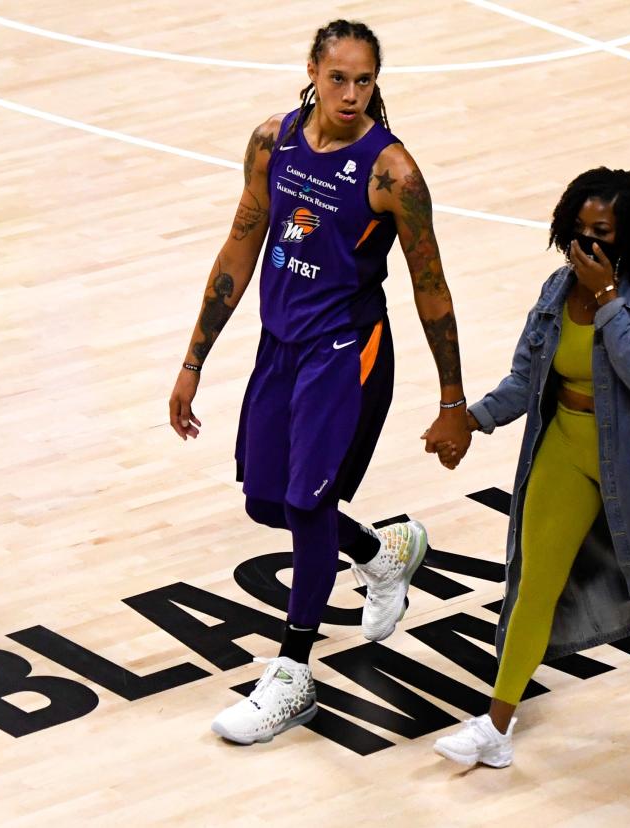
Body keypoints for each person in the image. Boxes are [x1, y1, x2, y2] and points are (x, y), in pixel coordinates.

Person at [167, 19, 471, 746]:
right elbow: (241, 243)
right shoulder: (274, 142)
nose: (351, 94)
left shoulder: (392, 173)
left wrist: (452, 398)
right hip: (282, 348)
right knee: (269, 504)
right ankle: (381, 551)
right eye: (339, 78)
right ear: (312, 69)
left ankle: (293, 675)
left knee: (308, 505)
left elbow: (433, 287)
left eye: (365, 80)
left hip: (348, 353)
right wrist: (192, 360)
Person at [429, 168, 630, 769]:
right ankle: (496, 725)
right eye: (578, 231)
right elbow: (525, 379)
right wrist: (471, 420)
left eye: (603, 233)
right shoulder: (556, 289)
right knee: (533, 583)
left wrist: (610, 299)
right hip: (564, 444)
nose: (586, 246)